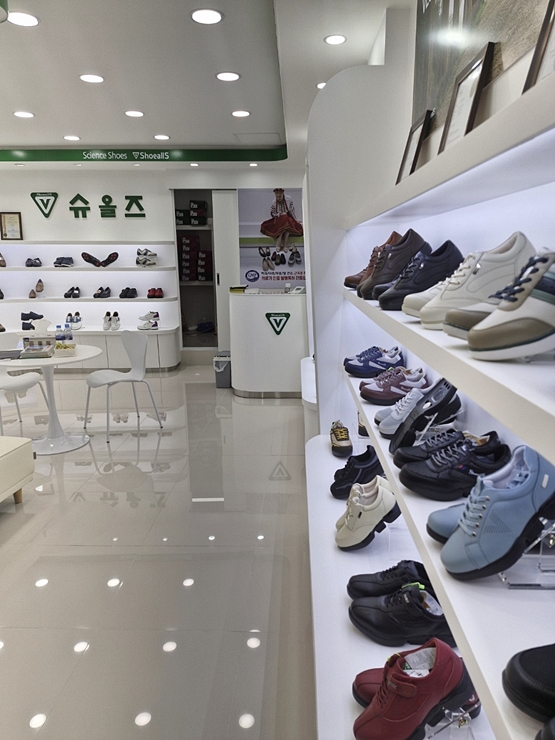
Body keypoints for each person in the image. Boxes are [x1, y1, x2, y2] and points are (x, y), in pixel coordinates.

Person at [260, 188, 303, 253]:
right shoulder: (274, 202)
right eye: (277, 197)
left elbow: (291, 211)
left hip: (288, 218)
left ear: (283, 194)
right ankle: (284, 242)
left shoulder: (288, 199)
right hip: (278, 219)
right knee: (283, 218)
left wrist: (295, 220)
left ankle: (280, 241)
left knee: (286, 219)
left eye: (280, 196)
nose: (278, 198)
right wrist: (279, 214)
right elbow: (272, 213)